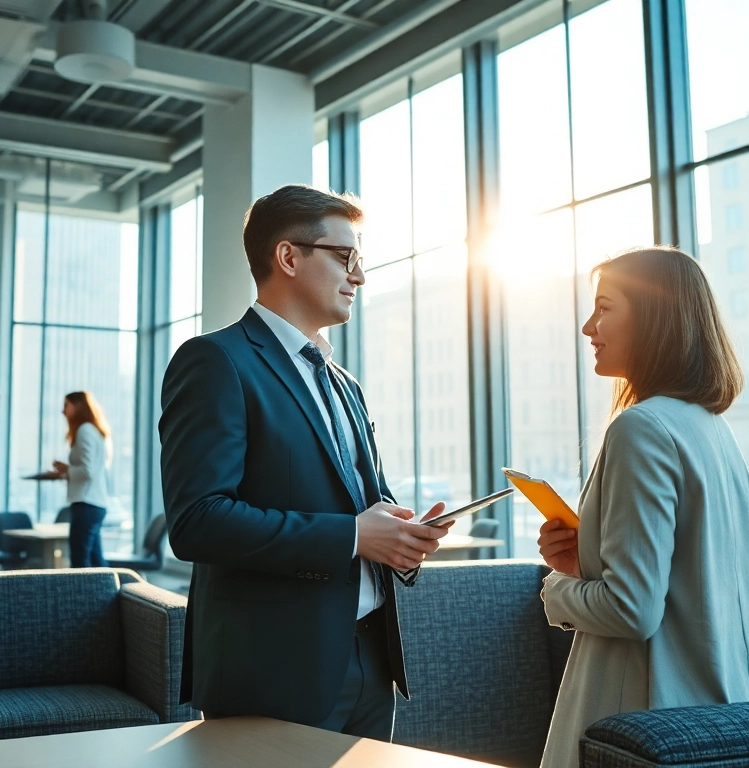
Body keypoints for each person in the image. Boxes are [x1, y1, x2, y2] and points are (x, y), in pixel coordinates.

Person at [159, 184, 450, 739]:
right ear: (288, 257)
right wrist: (352, 537)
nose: (360, 277)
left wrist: (400, 537)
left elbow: (365, 508)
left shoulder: (345, 384)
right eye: (347, 257)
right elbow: (197, 522)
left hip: (371, 656)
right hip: (274, 669)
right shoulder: (217, 361)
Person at [536, 246, 749, 768]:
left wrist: (557, 592)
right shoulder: (714, 430)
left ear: (654, 318)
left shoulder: (641, 428)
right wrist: (585, 563)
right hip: (730, 703)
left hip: (645, 715)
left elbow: (631, 610)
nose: (588, 327)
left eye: (605, 307)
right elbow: (686, 580)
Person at [48, 391, 112, 568]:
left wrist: (66, 470)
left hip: (87, 504)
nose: (63, 411)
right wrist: (65, 472)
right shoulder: (94, 431)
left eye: (66, 406)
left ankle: (84, 595)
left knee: (80, 562)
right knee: (95, 560)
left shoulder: (85, 430)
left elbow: (87, 470)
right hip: (94, 504)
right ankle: (108, 594)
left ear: (77, 407)